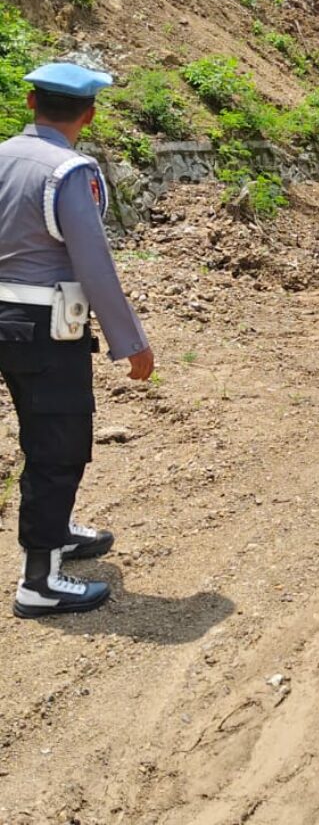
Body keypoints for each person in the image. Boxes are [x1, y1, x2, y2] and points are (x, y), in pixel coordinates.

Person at [0, 62, 154, 618]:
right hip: (47, 327)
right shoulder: (68, 172)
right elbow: (94, 264)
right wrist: (129, 339)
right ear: (87, 115)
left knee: (39, 433)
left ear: (29, 105)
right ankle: (38, 582)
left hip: (5, 320)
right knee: (58, 444)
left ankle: (57, 529)